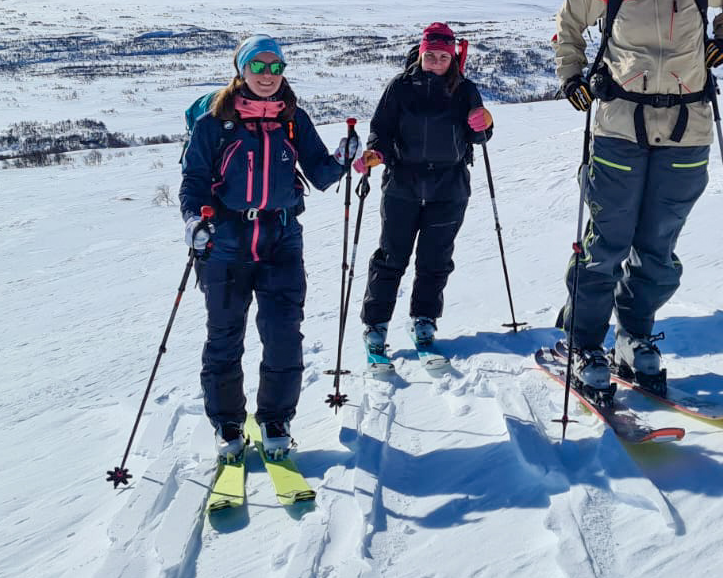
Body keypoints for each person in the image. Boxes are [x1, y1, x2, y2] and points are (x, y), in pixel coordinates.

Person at [553, 0, 723, 394]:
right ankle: (584, 342)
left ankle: (635, 337)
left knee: (658, 246)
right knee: (606, 242)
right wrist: (572, 76)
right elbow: (568, 25)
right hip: (620, 124)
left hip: (689, 127)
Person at [181, 35, 354, 459]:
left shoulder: (293, 120)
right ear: (240, 70)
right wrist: (193, 222)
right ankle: (227, 424)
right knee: (224, 339)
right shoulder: (213, 124)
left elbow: (319, 173)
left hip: (280, 240)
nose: (267, 75)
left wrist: (343, 158)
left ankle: (276, 418)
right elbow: (194, 182)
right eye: (257, 66)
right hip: (226, 245)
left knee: (283, 336)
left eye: (275, 67)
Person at [357, 23, 494, 356]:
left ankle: (424, 318)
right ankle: (376, 324)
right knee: (391, 257)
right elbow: (381, 131)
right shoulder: (400, 87)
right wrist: (376, 153)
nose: (435, 62)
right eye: (430, 55)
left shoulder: (464, 90)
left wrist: (485, 123)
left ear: (452, 58)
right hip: (402, 185)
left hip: (449, 187)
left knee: (435, 259)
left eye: (442, 57)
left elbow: (478, 137)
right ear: (421, 53)